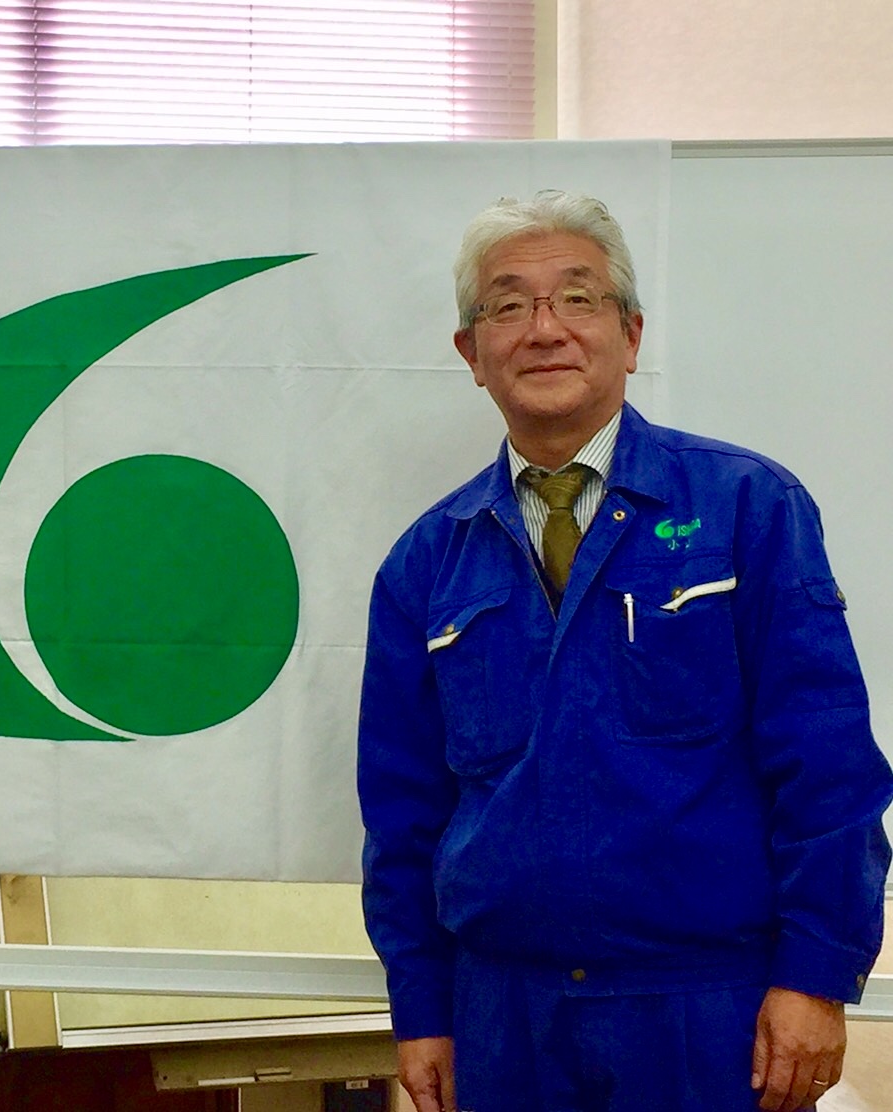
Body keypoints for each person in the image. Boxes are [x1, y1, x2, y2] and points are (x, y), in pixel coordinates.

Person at [357, 191, 893, 1112]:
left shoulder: (746, 508)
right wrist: (423, 1006)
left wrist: (816, 974)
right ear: (472, 353)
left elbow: (827, 763)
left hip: (708, 1007)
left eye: (578, 298)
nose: (544, 329)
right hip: (504, 1017)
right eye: (508, 306)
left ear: (631, 334)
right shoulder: (427, 562)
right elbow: (402, 814)